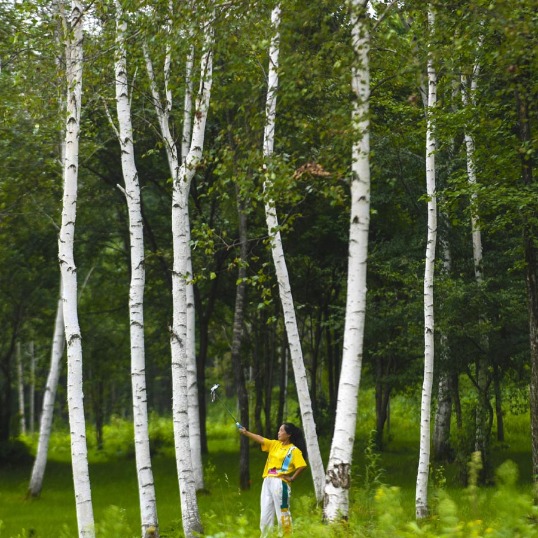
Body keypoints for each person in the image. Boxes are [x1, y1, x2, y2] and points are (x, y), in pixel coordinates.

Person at [239, 422, 308, 536]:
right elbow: (261, 439)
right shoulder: (275, 444)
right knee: (265, 514)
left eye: (281, 430)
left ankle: (286, 535)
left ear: (289, 434)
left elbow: (302, 465)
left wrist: (292, 478)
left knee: (282, 513)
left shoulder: (293, 450)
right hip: (267, 481)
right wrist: (246, 433)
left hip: (281, 483)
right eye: (279, 430)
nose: (278, 432)